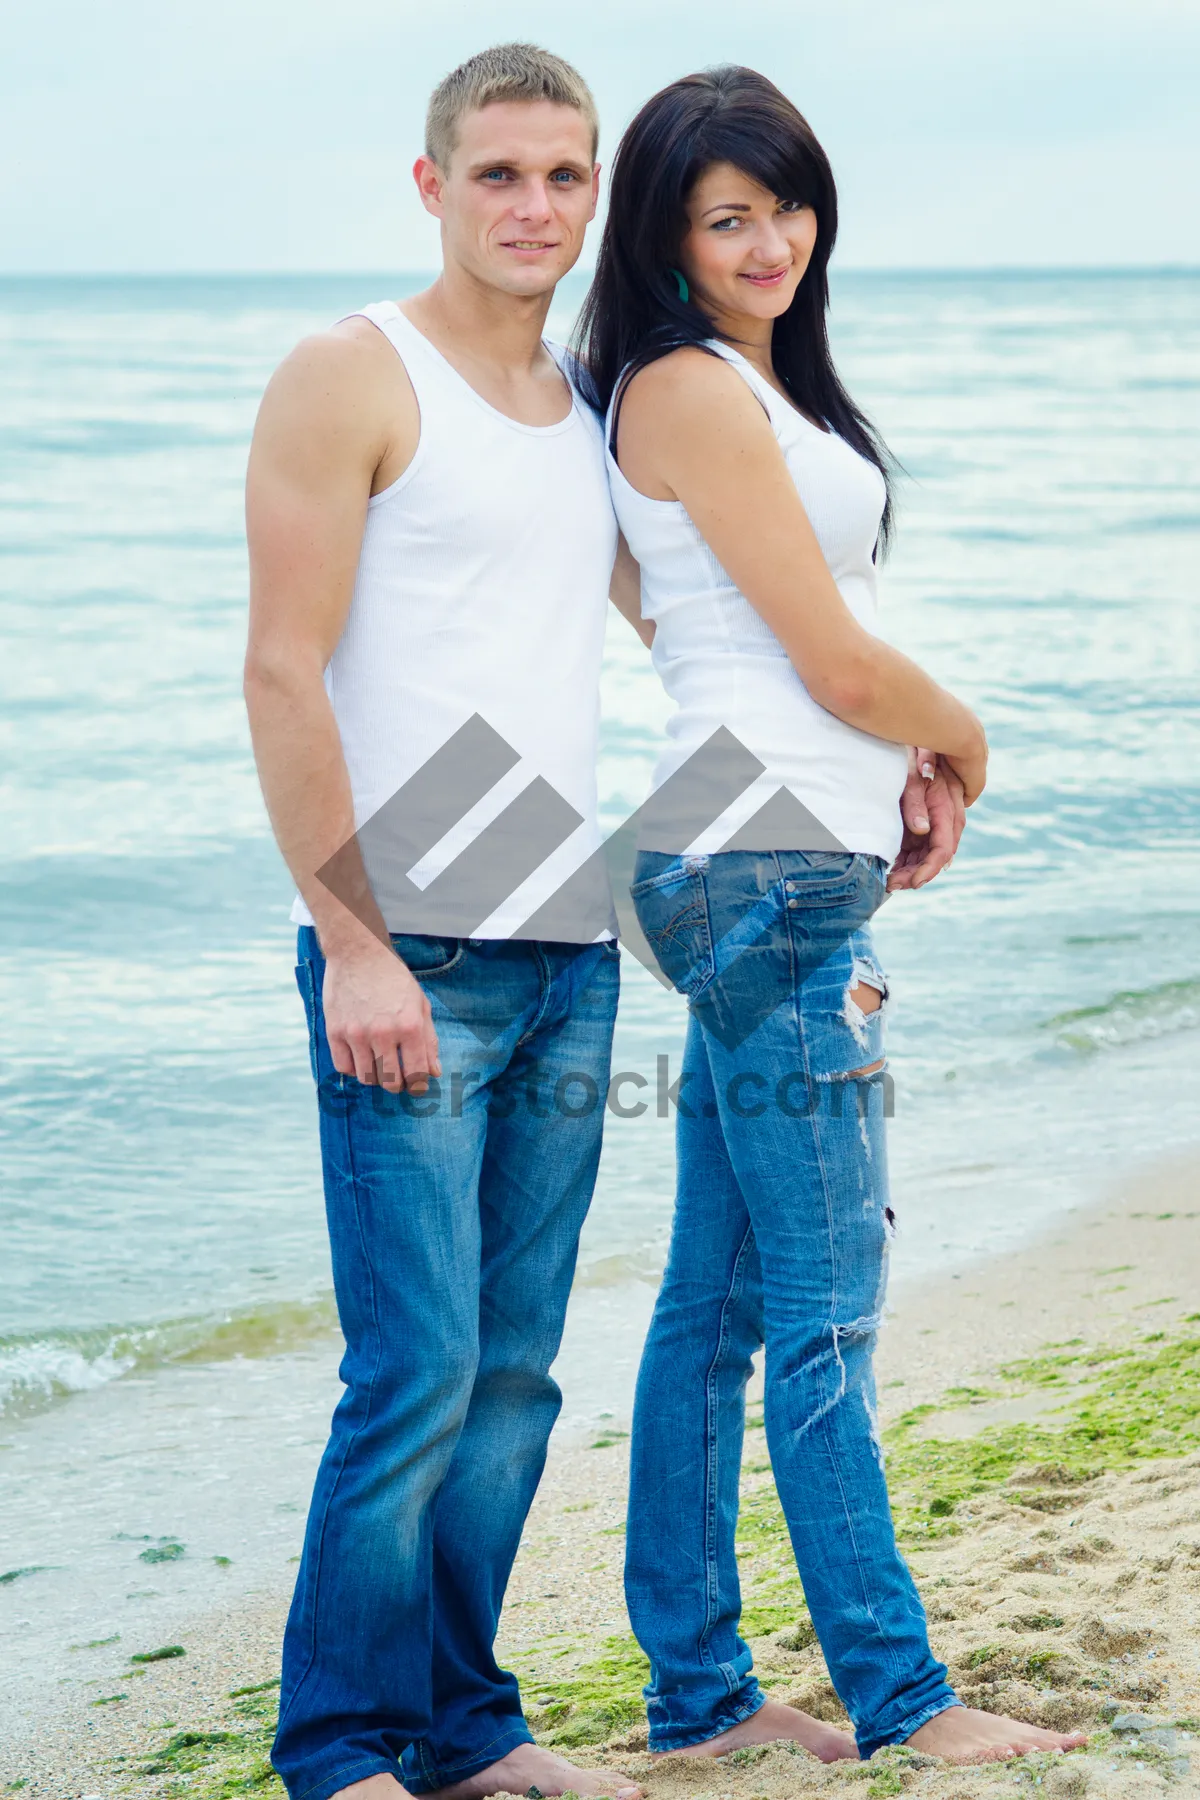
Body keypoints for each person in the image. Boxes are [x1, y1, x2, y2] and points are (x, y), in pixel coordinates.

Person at [578, 66, 1089, 1768]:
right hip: (769, 872)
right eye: (731, 215)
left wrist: (896, 779)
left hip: (768, 849)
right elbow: (837, 662)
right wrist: (962, 744)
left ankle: (701, 1699)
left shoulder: (729, 390)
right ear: (665, 229)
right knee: (826, 1310)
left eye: (790, 205)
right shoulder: (690, 392)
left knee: (713, 1308)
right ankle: (903, 1699)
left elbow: (712, 632)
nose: (773, 239)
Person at [243, 44, 645, 1800]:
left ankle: (466, 1726)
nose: (534, 206)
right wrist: (350, 942)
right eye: (498, 174)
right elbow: (279, 669)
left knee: (513, 1383)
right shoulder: (353, 373)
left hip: (569, 955)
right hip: (411, 957)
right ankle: (337, 1750)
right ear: (432, 184)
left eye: (564, 175)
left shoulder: (594, 415)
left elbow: (702, 639)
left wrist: (904, 758)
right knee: (412, 1375)